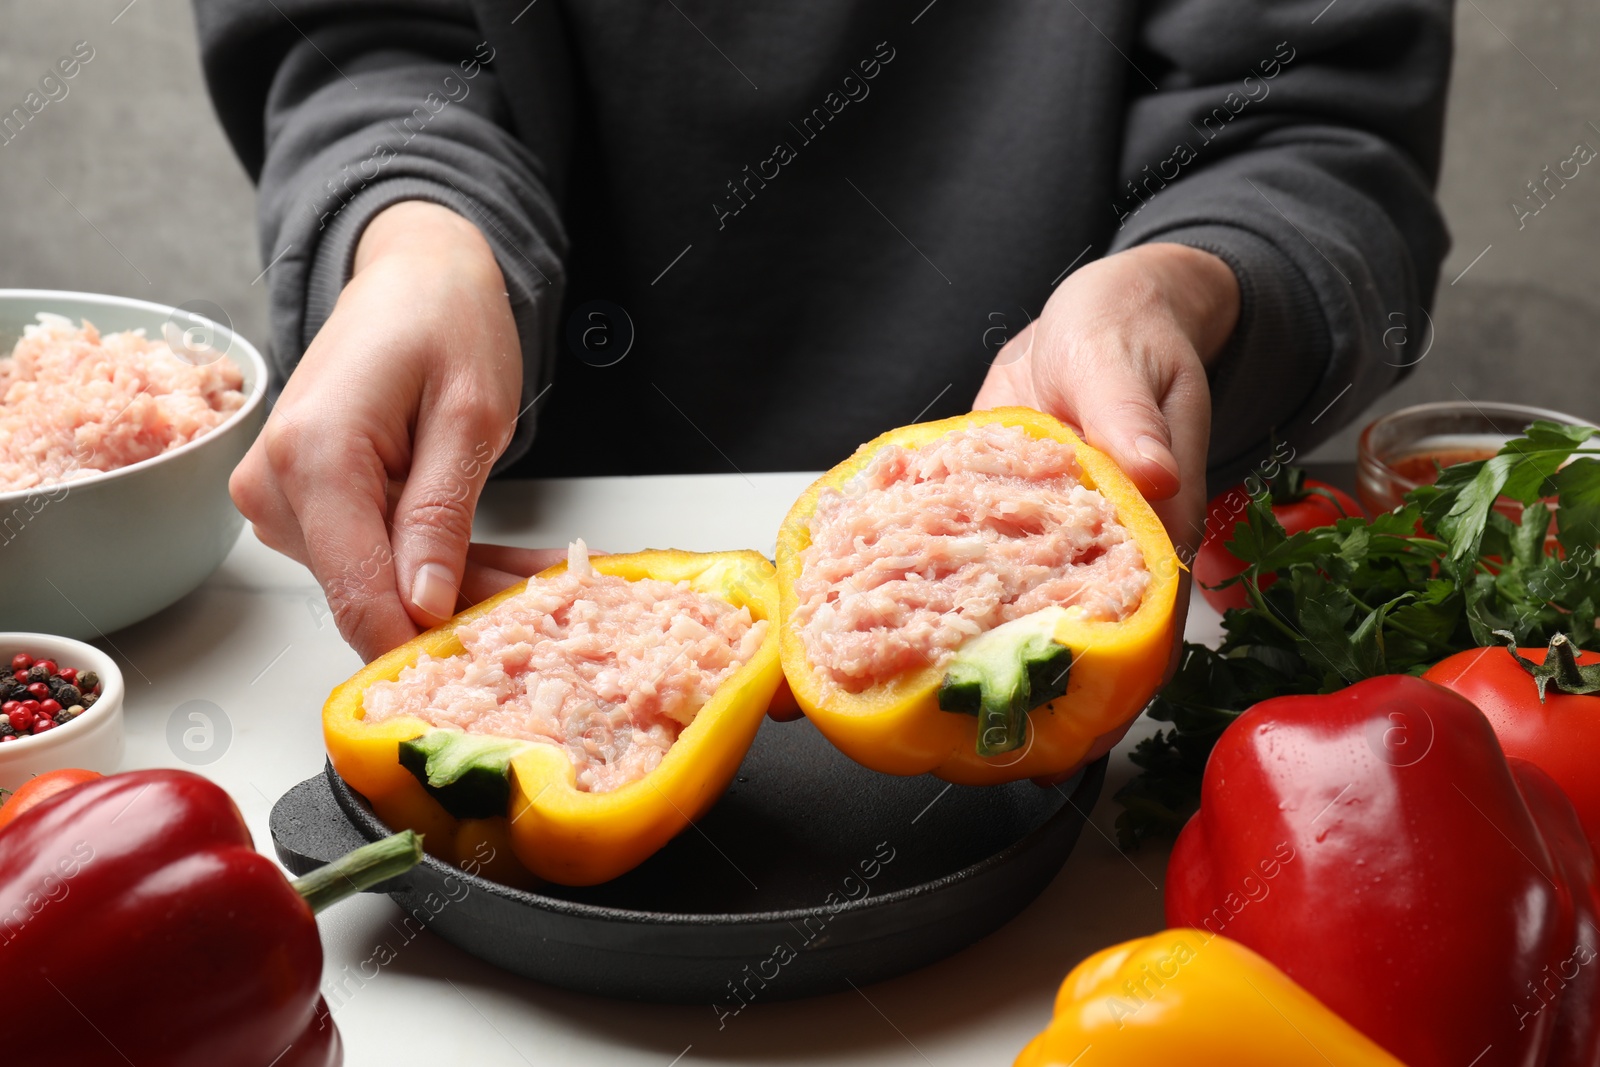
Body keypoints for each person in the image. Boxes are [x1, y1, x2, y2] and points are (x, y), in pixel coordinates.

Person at [193, 0, 1452, 680]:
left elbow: (1312, 125)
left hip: (1066, 625)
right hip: (512, 547)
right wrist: (417, 236)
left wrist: (1181, 286)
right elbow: (362, 38)